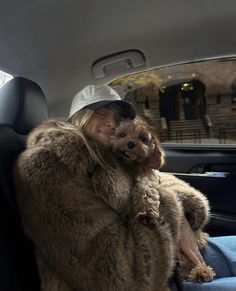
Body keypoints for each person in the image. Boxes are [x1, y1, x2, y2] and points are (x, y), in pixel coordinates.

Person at [14, 84, 236, 291]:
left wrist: (182, 217)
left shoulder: (111, 155)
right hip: (149, 277)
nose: (112, 122)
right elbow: (114, 274)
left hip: (168, 257)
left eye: (118, 117)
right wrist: (173, 217)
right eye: (101, 112)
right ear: (77, 118)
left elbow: (153, 176)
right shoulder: (51, 167)